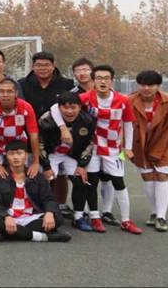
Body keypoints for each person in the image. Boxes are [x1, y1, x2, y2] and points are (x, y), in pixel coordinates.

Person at [51, 65, 142, 234]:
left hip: (114, 149)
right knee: (91, 182)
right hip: (91, 148)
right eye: (99, 78)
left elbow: (128, 124)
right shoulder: (85, 98)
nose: (103, 81)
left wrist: (128, 148)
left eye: (106, 78)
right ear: (93, 81)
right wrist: (63, 128)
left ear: (112, 81)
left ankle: (126, 220)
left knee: (118, 182)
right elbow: (56, 107)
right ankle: (95, 217)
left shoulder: (123, 100)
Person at [0, 140, 71, 242]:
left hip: (31, 217)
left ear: (26, 155)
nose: (16, 157)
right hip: (8, 217)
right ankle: (44, 237)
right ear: (6, 156)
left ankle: (11, 234)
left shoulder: (36, 176)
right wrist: (5, 216)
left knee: (57, 218)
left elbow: (48, 198)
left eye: (19, 153)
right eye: (11, 154)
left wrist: (49, 212)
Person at [36, 91, 96, 231]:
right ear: (59, 108)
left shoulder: (87, 120)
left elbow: (89, 144)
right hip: (52, 154)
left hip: (71, 155)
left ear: (79, 107)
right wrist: (46, 167)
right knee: (46, 180)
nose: (69, 111)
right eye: (66, 107)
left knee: (80, 179)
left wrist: (82, 165)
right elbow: (40, 145)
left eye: (73, 107)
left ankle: (78, 216)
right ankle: (45, 212)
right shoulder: (46, 120)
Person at [129, 69, 168, 232]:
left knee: (162, 175)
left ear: (158, 86)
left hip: (164, 143)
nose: (146, 88)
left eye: (150, 85)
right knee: (147, 176)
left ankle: (161, 217)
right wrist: (126, 148)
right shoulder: (130, 101)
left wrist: (157, 151)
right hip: (139, 144)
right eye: (142, 85)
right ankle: (154, 212)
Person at [0, 78, 40, 180]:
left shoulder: (26, 107)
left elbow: (33, 135)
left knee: (20, 178)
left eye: (9, 91)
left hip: (18, 144)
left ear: (16, 93)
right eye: (1, 91)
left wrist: (35, 162)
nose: (5, 95)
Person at [18, 51, 75, 118]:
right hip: (30, 123)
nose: (43, 68)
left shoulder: (67, 84)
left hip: (59, 124)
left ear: (53, 66)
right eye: (39, 65)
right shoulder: (22, 84)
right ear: (33, 67)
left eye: (47, 65)